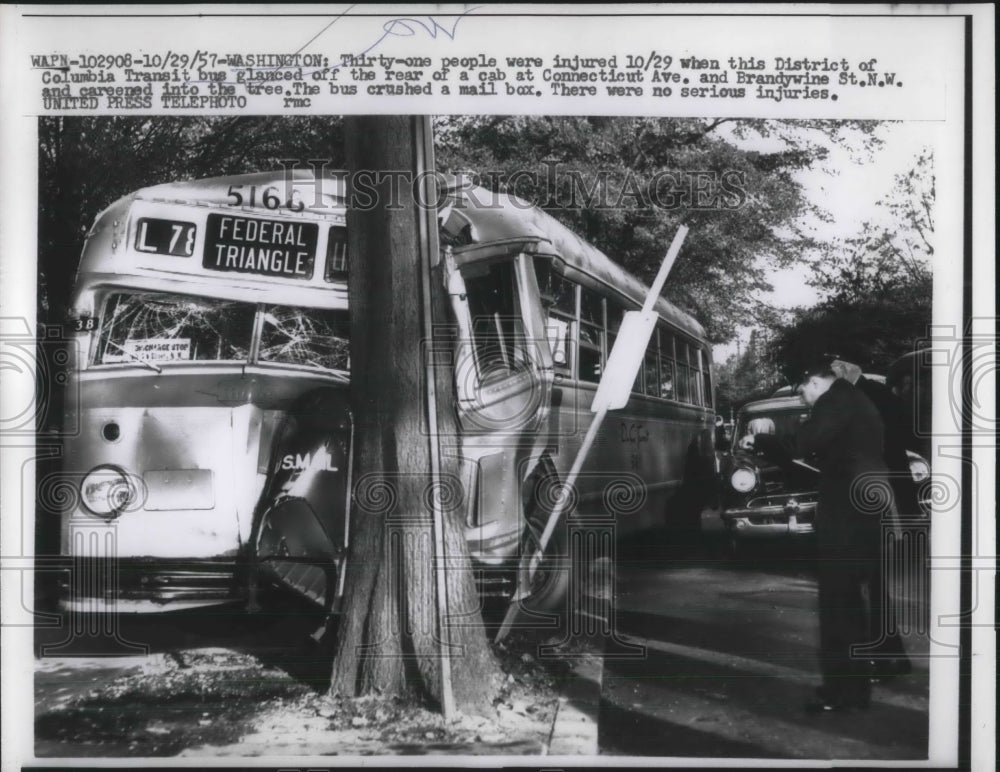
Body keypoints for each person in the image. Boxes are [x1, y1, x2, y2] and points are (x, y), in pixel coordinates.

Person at [740, 360, 892, 712]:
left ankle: (844, 693)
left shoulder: (834, 400)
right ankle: (853, 688)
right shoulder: (854, 400)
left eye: (803, 393)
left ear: (812, 383)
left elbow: (804, 443)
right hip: (866, 504)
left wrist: (761, 438)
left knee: (838, 602)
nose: (805, 401)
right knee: (851, 599)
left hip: (848, 510)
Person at [830, 360, 915, 679]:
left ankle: (883, 658)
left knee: (867, 585)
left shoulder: (859, 403)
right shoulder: (879, 396)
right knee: (874, 583)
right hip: (885, 496)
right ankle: (892, 654)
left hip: (872, 499)